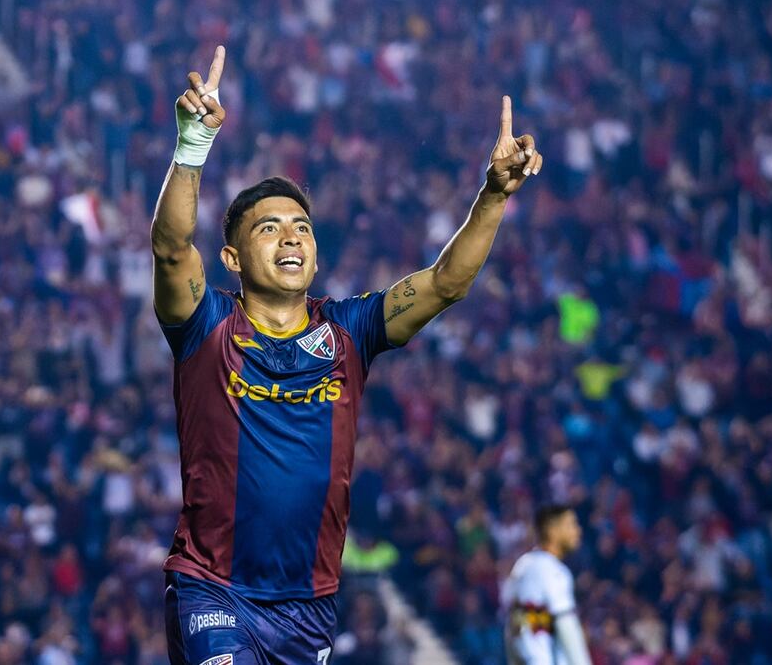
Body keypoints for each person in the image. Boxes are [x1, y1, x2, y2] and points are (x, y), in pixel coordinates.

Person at [150, 45, 543, 664]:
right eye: (269, 228)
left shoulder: (349, 331)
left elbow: (445, 283)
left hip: (308, 605)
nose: (291, 237)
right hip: (213, 589)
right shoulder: (208, 327)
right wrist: (192, 145)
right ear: (232, 259)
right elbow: (172, 250)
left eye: (302, 227)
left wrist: (493, 195)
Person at [501, 505, 591, 665]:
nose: (577, 531)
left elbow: (513, 627)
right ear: (552, 530)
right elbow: (566, 624)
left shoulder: (524, 565)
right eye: (571, 525)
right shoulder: (552, 570)